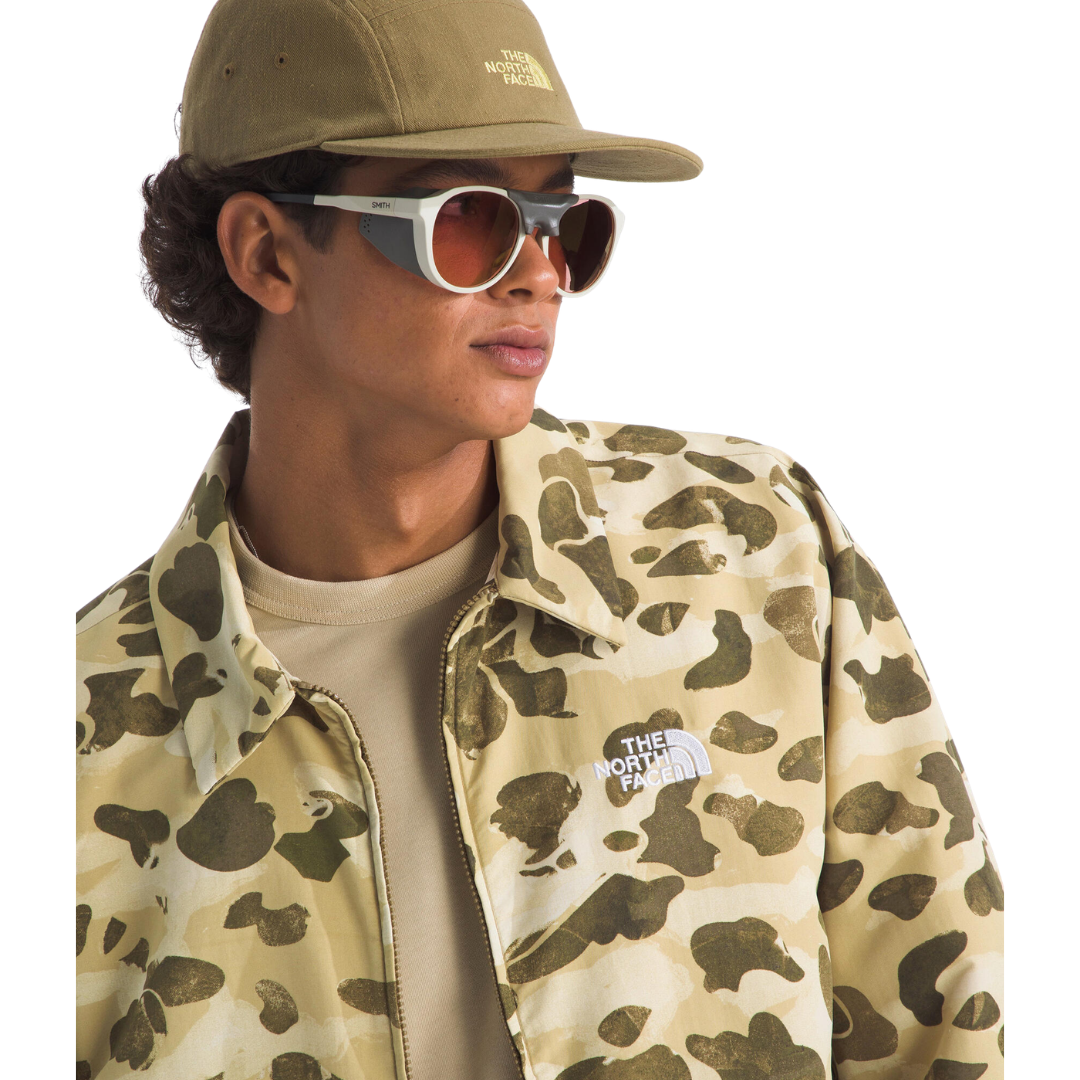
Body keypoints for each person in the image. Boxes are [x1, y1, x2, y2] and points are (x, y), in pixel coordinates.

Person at [75, 0, 1004, 1077]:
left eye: (566, 222)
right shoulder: (82, 744)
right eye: (469, 220)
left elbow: (946, 1024)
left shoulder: (756, 555)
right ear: (267, 254)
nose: (542, 273)